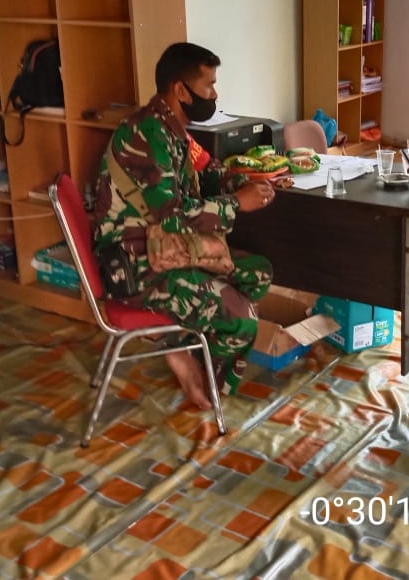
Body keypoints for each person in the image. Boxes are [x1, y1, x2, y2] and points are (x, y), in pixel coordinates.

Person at [93, 42, 276, 407]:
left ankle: (183, 344)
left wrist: (243, 182)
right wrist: (237, 203)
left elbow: (205, 170)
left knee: (258, 273)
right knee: (242, 320)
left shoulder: (173, 129)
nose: (214, 94)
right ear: (181, 90)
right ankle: (208, 386)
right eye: (209, 85)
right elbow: (173, 216)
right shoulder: (148, 133)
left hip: (166, 251)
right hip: (135, 266)